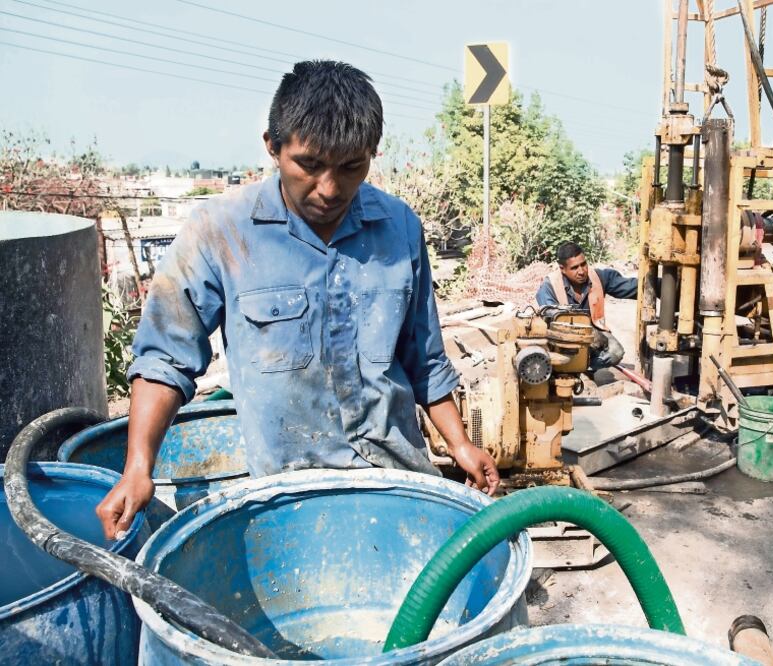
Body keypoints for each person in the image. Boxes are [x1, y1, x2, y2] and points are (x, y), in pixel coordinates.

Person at [96, 61, 498, 540]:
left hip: (396, 483)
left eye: (351, 167)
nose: (329, 189)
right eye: (309, 165)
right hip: (288, 501)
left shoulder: (400, 228)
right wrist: (137, 467)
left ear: (372, 154)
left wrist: (460, 445)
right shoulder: (219, 231)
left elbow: (424, 358)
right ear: (273, 146)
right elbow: (165, 357)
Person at [535, 241, 641, 371]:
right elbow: (553, 318)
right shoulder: (549, 286)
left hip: (593, 334)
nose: (581, 271)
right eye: (574, 268)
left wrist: (661, 285)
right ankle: (568, 367)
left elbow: (633, 287)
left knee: (615, 352)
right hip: (562, 338)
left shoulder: (598, 277)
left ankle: (585, 367)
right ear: (562, 269)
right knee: (557, 357)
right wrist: (590, 333)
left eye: (583, 264)